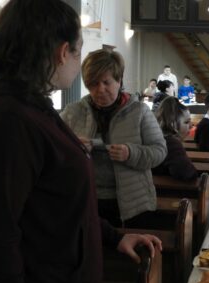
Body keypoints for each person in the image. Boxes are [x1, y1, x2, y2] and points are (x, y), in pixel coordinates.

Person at [0, 2, 162, 283]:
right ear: (62, 51)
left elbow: (57, 207)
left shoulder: (30, 108)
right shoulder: (8, 120)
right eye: (79, 50)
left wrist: (113, 237)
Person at [61, 49, 167, 228]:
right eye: (93, 84)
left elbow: (160, 151)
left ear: (119, 80)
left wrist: (130, 153)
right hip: (85, 200)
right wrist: (74, 150)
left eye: (106, 82)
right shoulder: (73, 113)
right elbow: (55, 152)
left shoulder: (139, 112)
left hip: (133, 203)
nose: (100, 90)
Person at [152, 97, 198, 180]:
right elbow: (187, 174)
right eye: (186, 122)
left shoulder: (153, 137)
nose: (191, 126)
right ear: (173, 123)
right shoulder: (171, 144)